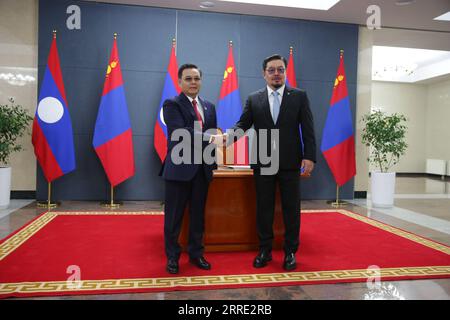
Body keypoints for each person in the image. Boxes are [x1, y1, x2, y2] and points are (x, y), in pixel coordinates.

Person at [213, 54, 316, 271]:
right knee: (264, 209)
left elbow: (307, 129)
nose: (276, 74)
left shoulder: (299, 96)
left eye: (280, 69)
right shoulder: (254, 98)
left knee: (291, 210)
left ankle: (290, 253)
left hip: (290, 162)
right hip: (263, 162)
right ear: (264, 73)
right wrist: (226, 139)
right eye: (271, 70)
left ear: (285, 72)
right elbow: (243, 125)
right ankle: (265, 251)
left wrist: (309, 156)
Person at [161, 63, 217, 274]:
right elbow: (180, 132)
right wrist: (211, 137)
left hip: (202, 171)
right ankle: (172, 257)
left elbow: (211, 139)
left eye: (196, 78)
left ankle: (196, 254)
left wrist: (212, 165)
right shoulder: (171, 104)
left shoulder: (210, 106)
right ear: (179, 82)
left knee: (198, 216)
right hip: (179, 170)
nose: (193, 82)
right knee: (174, 217)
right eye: (188, 78)